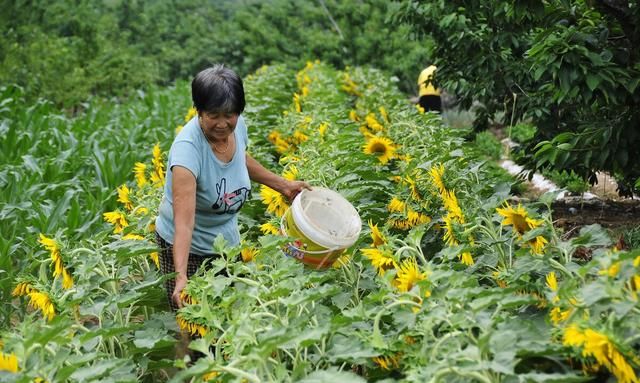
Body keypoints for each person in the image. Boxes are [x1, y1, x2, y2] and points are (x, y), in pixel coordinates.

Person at [155, 64, 310, 311]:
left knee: (230, 311)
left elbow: (240, 159)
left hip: (225, 240)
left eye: (230, 114)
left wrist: (284, 186)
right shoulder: (187, 153)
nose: (222, 123)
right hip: (189, 246)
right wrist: (181, 275)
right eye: (213, 115)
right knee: (193, 319)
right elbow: (184, 223)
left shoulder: (238, 128)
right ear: (199, 111)